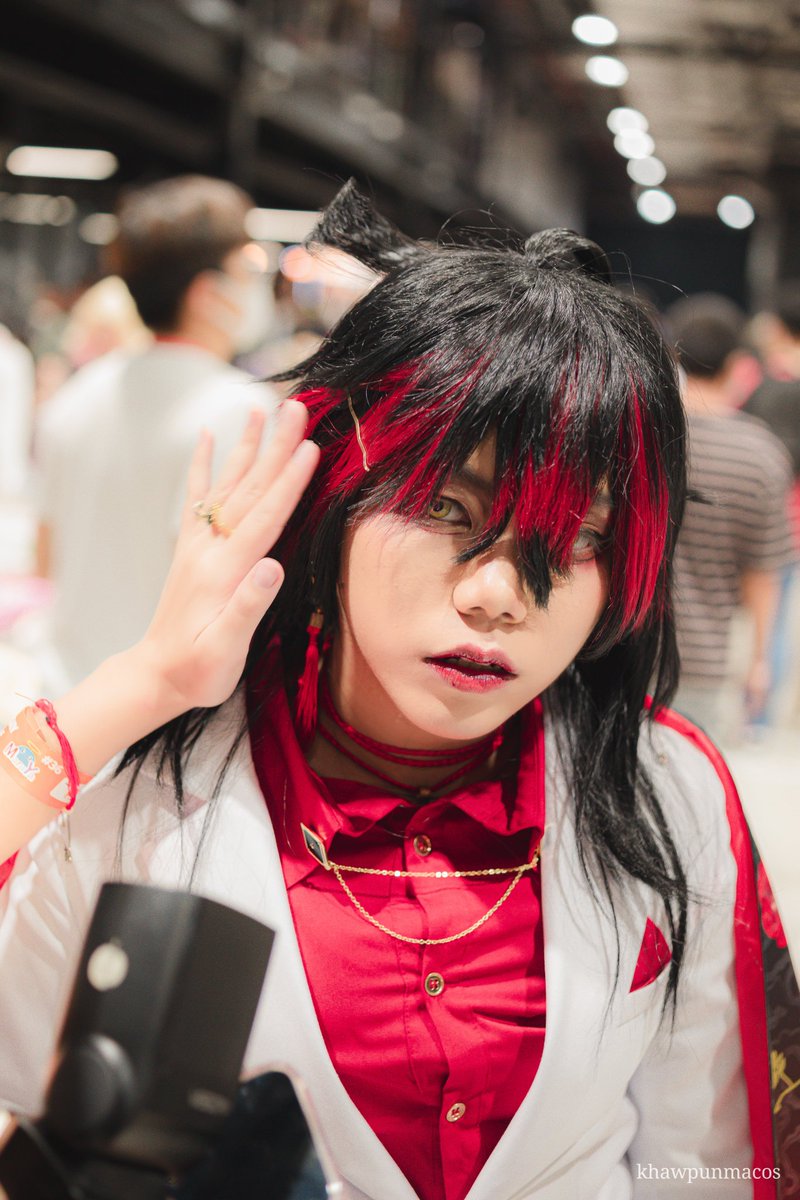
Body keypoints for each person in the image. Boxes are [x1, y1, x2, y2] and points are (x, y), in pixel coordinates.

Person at [0, 183, 792, 1199]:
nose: (498, 595)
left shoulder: (667, 790)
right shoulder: (133, 807)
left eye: (578, 538)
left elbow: (716, 1159)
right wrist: (146, 681)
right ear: (334, 490)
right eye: (446, 508)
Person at [34, 175, 278, 690]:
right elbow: (224, 596)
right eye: (247, 268)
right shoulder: (239, 411)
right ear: (207, 294)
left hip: (62, 695)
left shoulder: (78, 393)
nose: (258, 284)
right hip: (159, 710)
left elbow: (45, 555)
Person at [666, 295, 796, 742]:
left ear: (674, 357)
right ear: (737, 365)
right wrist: (759, 662)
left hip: (621, 650)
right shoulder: (760, 454)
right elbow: (763, 573)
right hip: (707, 666)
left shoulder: (644, 433)